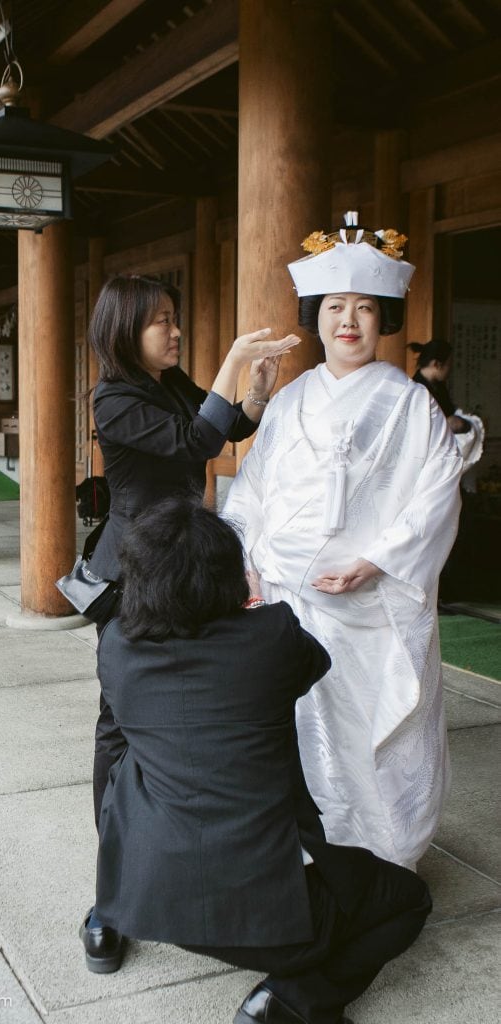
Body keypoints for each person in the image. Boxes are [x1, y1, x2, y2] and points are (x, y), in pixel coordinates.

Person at [92, 497, 432, 1024]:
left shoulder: (115, 647)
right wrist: (252, 602)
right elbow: (314, 662)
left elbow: (112, 744)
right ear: (229, 575)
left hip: (151, 900)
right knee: (408, 899)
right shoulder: (270, 636)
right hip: (270, 919)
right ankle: (294, 999)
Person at [223, 212, 463, 871]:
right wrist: (243, 560)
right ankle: (304, 851)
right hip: (287, 594)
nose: (347, 321)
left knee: (369, 724)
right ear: (316, 314)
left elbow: (435, 492)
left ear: (381, 317)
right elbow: (252, 486)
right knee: (297, 723)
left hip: (368, 602)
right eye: (334, 307)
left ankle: (384, 854)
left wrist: (373, 561)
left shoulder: (411, 405)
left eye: (362, 308)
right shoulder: (294, 396)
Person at [84, 273, 300, 826]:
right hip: (136, 564)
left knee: (189, 686)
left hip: (183, 556)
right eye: (162, 321)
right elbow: (195, 441)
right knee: (120, 709)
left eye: (174, 319)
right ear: (125, 328)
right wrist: (231, 359)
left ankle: (170, 823)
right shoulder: (112, 397)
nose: (175, 331)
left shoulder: (168, 381)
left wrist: (256, 389)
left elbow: (224, 428)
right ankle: (112, 835)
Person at [408, 338, 484, 472]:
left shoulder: (439, 387)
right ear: (437, 364)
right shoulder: (416, 390)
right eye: (448, 365)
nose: (450, 369)